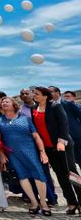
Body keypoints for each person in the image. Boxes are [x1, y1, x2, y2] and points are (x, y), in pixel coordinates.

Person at [0, 96, 50, 216]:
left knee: (39, 175)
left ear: (14, 104)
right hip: (13, 154)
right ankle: (34, 203)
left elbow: (36, 136)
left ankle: (44, 204)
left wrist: (42, 152)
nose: (4, 103)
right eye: (2, 102)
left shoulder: (25, 118)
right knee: (22, 177)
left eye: (7, 101)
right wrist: (2, 155)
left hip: (30, 151)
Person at [32, 86, 81, 214]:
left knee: (71, 173)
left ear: (45, 96)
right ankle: (72, 203)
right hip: (49, 148)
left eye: (36, 93)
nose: (34, 95)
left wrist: (61, 141)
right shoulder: (33, 109)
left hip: (62, 145)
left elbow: (64, 124)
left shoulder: (55, 106)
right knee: (61, 176)